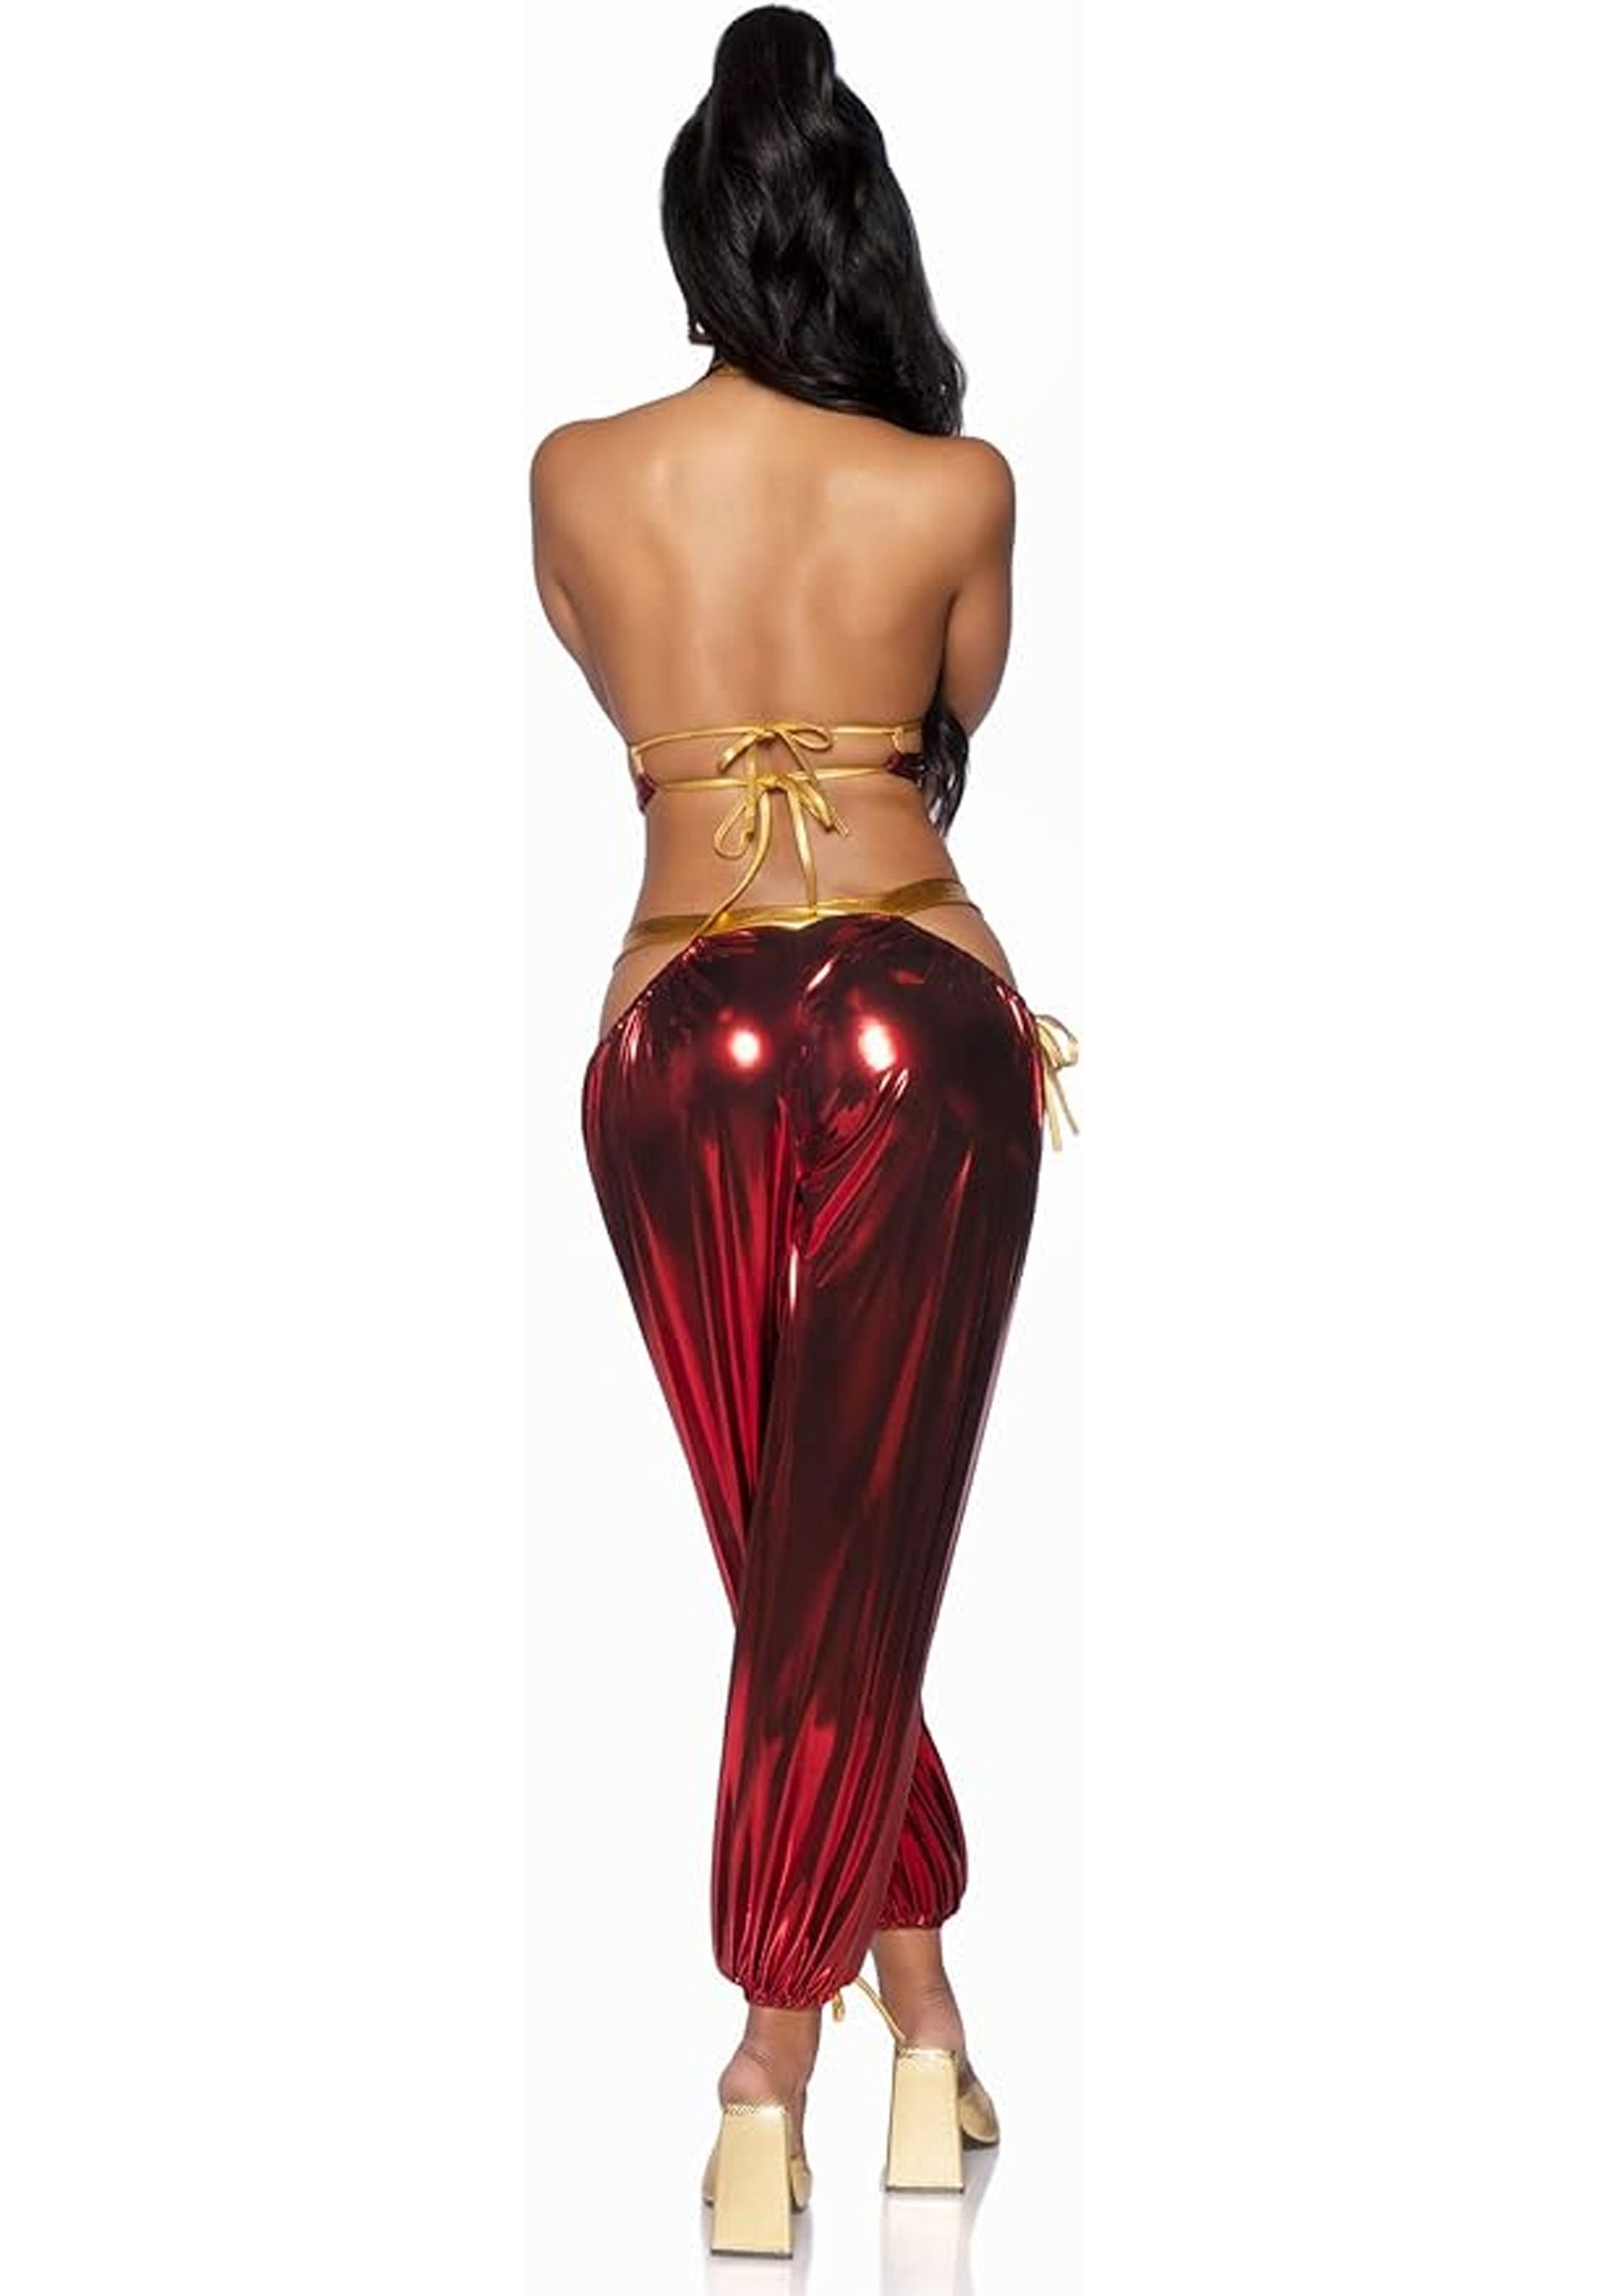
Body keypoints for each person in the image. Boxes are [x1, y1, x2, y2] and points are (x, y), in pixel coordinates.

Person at [528, 3, 1077, 2258]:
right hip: (917, 1013)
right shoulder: (956, 484)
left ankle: (914, 2018)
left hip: (675, 1028)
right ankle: (786, 2047)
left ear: (694, 232)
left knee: (799, 1557)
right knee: (840, 1563)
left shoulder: (577, 474)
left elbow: (610, 679)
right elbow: (957, 708)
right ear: (865, 234)